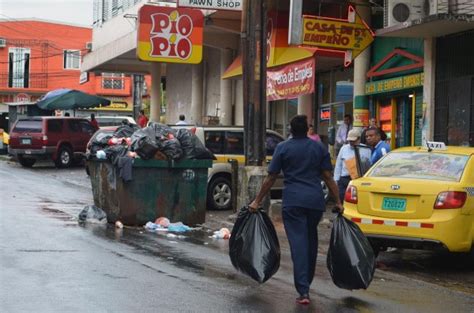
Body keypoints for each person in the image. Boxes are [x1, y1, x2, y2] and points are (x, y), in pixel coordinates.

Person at [249, 114, 343, 305]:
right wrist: (339, 202)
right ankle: (305, 283)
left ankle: (303, 290)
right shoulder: (318, 148)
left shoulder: (283, 148)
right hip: (315, 202)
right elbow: (328, 177)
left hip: (293, 202)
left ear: (290, 130)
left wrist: (257, 201)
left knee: (299, 244)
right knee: (311, 241)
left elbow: (271, 178)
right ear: (307, 129)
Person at [334, 129, 371, 203]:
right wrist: (336, 180)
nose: (351, 143)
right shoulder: (344, 148)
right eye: (350, 141)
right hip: (344, 179)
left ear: (359, 139)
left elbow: (369, 165)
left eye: (353, 141)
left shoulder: (366, 150)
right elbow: (338, 165)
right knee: (342, 198)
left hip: (358, 179)